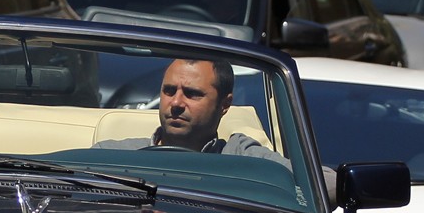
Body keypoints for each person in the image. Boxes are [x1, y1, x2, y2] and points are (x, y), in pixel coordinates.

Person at [96, 57, 288, 166]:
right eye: (169, 91)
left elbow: (312, 186)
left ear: (224, 104)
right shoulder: (113, 156)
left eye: (192, 94)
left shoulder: (242, 157)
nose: (176, 103)